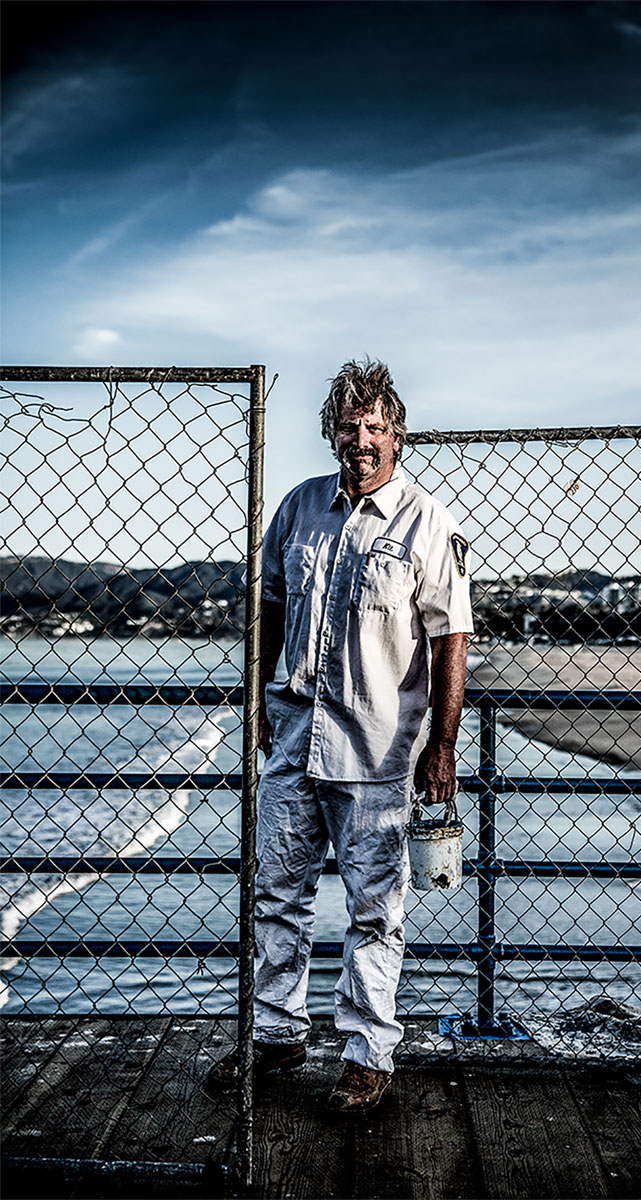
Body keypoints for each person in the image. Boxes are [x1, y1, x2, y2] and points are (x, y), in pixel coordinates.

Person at [209, 358, 472, 1113]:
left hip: (379, 750)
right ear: (331, 432)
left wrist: (443, 745)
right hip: (294, 737)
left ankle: (367, 1052)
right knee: (277, 894)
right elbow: (267, 604)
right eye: (348, 424)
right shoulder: (297, 509)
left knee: (373, 908)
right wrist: (261, 701)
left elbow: (451, 637)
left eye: (374, 425)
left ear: (397, 435)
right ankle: (276, 1036)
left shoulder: (427, 522)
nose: (361, 437)